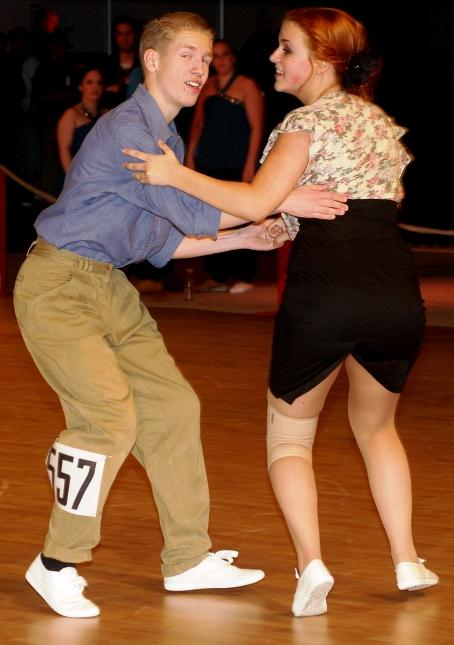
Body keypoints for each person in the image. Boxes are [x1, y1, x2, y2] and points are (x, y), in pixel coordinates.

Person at [13, 11, 347, 620]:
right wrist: (274, 198)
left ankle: (187, 558)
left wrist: (242, 241)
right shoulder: (129, 132)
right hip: (58, 286)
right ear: (152, 61)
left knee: (173, 406)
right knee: (108, 418)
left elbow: (158, 242)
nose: (199, 68)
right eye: (187, 55)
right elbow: (198, 211)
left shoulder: (162, 143)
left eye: (205, 57)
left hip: (108, 285)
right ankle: (56, 563)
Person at [122, 7, 439, 618]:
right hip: (395, 293)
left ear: (321, 61)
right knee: (377, 430)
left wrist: (174, 174)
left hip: (326, 290)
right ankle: (406, 559)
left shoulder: (305, 122)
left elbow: (257, 199)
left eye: (286, 48)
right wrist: (274, 219)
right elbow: (326, 206)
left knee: (290, 438)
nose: (273, 57)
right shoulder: (378, 121)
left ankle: (310, 565)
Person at [185, 38, 265, 294]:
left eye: (223, 55)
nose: (219, 61)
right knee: (211, 219)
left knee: (240, 218)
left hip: (236, 161)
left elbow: (256, 128)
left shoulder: (247, 85)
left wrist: (250, 164)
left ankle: (243, 275)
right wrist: (189, 157)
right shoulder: (206, 86)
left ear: (233, 58)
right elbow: (197, 124)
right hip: (209, 160)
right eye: (214, 56)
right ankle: (217, 274)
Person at [56, 66, 107, 179]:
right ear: (80, 86)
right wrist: (73, 180)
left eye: (99, 83)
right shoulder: (70, 114)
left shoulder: (107, 114)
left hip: (102, 176)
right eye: (89, 82)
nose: (95, 87)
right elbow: (64, 150)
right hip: (76, 177)